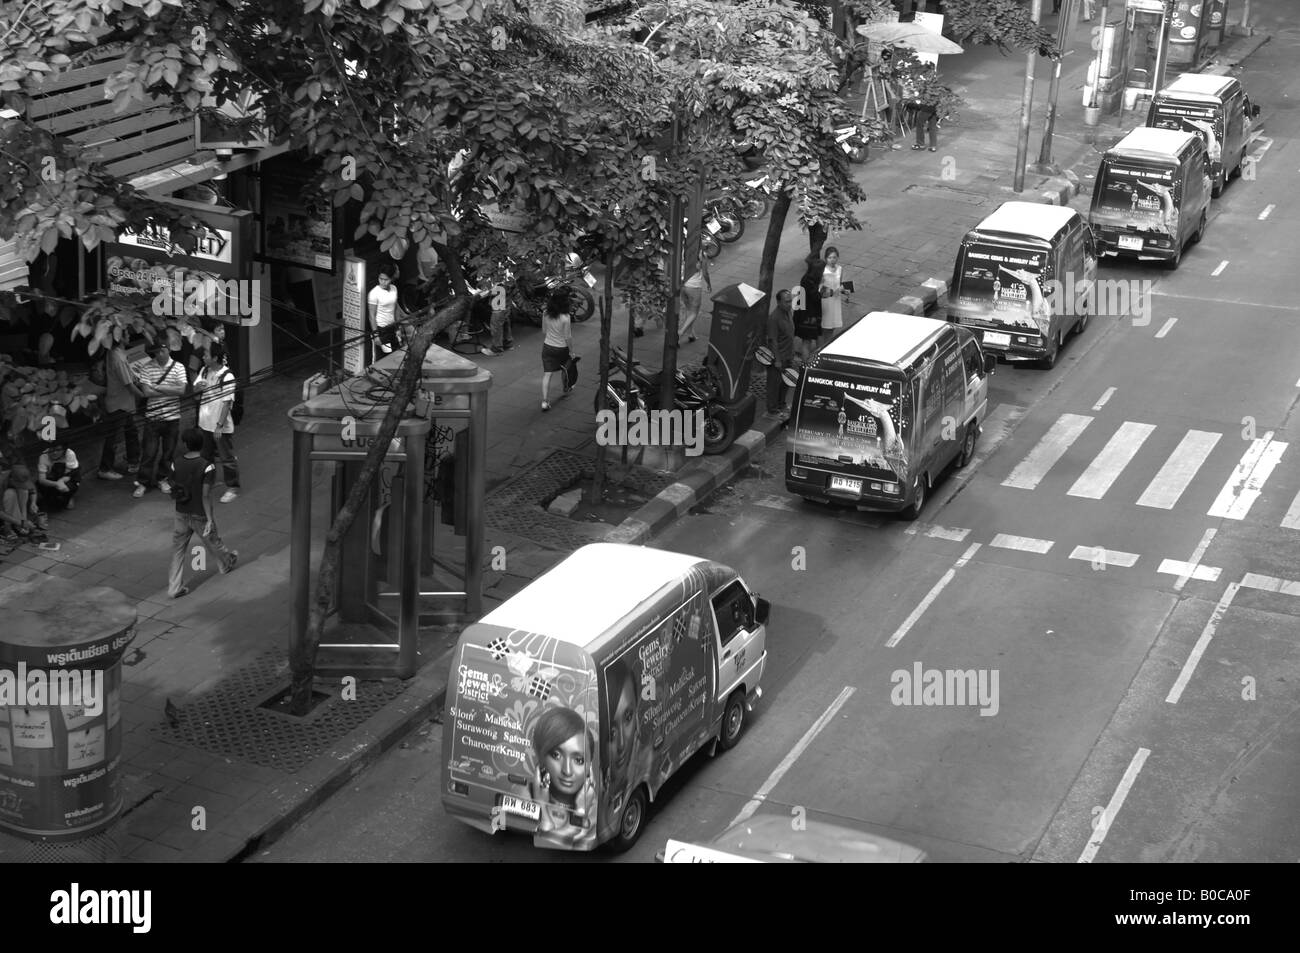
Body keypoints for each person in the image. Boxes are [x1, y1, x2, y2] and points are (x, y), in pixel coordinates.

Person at [168, 428, 238, 598]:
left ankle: (174, 588)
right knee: (213, 541)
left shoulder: (175, 463)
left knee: (178, 550)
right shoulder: (207, 466)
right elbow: (205, 494)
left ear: (185, 444)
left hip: (181, 512)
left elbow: (173, 485)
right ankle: (226, 562)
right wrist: (209, 519)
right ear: (201, 445)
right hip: (199, 513)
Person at [528, 706, 598, 849]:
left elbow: (550, 842)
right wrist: (541, 804)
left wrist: (580, 811)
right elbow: (547, 841)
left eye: (578, 760)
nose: (567, 771)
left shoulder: (593, 806)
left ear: (589, 766)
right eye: (556, 755)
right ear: (541, 756)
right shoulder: (525, 793)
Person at [600, 658, 653, 837]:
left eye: (628, 717)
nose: (622, 744)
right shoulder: (598, 796)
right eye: (611, 733)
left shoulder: (647, 760)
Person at [133, 339, 188, 499]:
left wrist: (158, 387)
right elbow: (146, 392)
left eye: (161, 351)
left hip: (173, 416)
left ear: (169, 350)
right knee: (149, 452)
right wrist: (171, 390)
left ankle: (163, 478)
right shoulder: (147, 367)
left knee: (168, 452)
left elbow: (182, 390)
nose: (159, 355)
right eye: (156, 352)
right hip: (153, 416)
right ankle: (143, 482)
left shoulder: (179, 367)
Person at [193, 343, 240, 503]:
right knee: (206, 456)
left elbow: (227, 404)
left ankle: (232, 487)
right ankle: (209, 481)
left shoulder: (227, 376)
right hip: (205, 423)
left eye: (206, 354)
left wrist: (219, 426)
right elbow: (195, 391)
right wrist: (198, 387)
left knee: (227, 458)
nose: (203, 357)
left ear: (215, 357)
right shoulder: (204, 370)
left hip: (220, 426)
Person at [99, 337, 143, 480]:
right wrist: (144, 395)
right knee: (114, 437)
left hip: (124, 402)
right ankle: (105, 468)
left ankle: (133, 462)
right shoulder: (117, 356)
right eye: (125, 331)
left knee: (131, 432)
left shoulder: (118, 352)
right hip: (118, 403)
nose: (129, 334)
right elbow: (128, 384)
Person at [540, 289, 573, 412]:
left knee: (547, 374)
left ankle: (544, 401)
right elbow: (567, 336)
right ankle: (566, 388)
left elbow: (544, 331)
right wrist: (571, 351)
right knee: (565, 368)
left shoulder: (545, 313)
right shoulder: (566, 317)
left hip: (547, 347)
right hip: (561, 348)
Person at [765, 289, 796, 418]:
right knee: (774, 384)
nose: (789, 304)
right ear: (778, 302)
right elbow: (773, 341)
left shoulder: (788, 312)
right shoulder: (774, 318)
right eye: (787, 302)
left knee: (786, 382)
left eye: (790, 301)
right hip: (779, 357)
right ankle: (772, 409)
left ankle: (781, 404)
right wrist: (777, 360)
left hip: (788, 355)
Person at [0, 465, 45, 541]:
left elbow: (32, 490)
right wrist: (21, 523)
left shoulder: (21, 475)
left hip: (11, 508)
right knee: (10, 494)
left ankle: (22, 521)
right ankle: (7, 527)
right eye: (20, 483)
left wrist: (33, 503)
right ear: (11, 480)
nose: (23, 485)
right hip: (2, 510)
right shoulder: (1, 482)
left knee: (24, 491)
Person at [36, 440, 80, 512]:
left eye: (58, 450)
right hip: (52, 478)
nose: (55, 452)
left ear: (64, 450)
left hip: (66, 477)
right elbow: (41, 479)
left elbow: (69, 474)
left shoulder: (70, 454)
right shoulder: (43, 456)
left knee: (71, 481)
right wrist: (56, 484)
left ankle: (69, 497)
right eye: (52, 450)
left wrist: (61, 482)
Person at [679, 249, 711, 345]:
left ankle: (691, 334)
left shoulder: (684, 250)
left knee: (688, 311)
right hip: (694, 287)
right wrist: (709, 284)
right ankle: (680, 333)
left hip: (683, 286)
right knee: (693, 313)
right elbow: (705, 273)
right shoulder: (702, 254)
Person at [367, 268, 402, 355]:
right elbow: (371, 316)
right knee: (385, 356)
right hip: (381, 329)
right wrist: (376, 335)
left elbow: (396, 308)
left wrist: (398, 327)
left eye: (386, 279)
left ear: (391, 279)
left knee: (397, 354)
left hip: (392, 327)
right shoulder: (374, 293)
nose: (382, 282)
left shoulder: (394, 288)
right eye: (380, 279)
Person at [796, 254, 824, 362]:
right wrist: (822, 289)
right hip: (809, 315)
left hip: (804, 313)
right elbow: (816, 297)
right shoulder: (811, 282)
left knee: (809, 340)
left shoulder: (806, 278)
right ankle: (808, 364)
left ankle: (810, 362)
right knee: (808, 341)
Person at [818, 246, 844, 348]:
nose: (832, 260)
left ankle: (828, 344)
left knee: (833, 325)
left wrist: (844, 290)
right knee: (825, 325)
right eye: (830, 257)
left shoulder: (840, 269)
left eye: (834, 257)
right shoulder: (822, 271)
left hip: (836, 300)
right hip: (826, 301)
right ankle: (822, 346)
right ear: (826, 258)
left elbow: (840, 283)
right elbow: (819, 287)